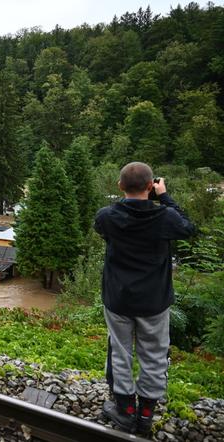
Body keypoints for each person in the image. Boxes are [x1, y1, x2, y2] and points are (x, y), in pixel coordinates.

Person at [94, 162, 195, 435]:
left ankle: (125, 410)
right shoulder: (165, 217)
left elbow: (103, 229)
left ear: (119, 186)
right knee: (154, 355)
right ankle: (146, 415)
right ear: (151, 187)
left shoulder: (107, 216)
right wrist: (164, 197)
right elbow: (188, 227)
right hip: (154, 301)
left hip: (118, 299)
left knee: (120, 351)